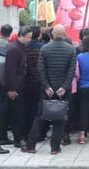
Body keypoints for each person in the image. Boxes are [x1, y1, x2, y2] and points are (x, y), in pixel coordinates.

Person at [25, 24, 77, 154]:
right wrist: (64, 87)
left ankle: (31, 145)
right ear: (64, 35)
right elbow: (71, 72)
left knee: (40, 116)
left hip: (47, 89)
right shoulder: (71, 50)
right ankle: (55, 147)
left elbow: (41, 70)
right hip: (63, 90)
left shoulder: (44, 49)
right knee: (60, 117)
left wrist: (46, 86)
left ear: (53, 34)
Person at [4, 26, 31, 149]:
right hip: (15, 87)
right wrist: (12, 89)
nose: (29, 39)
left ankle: (19, 137)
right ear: (21, 36)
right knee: (16, 114)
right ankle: (17, 139)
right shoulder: (14, 49)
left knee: (20, 113)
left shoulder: (21, 48)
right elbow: (10, 71)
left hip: (21, 85)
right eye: (28, 37)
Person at [23, 26, 44, 132]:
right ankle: (37, 132)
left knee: (27, 108)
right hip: (39, 81)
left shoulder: (25, 47)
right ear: (39, 34)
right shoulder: (43, 47)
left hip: (27, 80)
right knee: (38, 109)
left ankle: (27, 131)